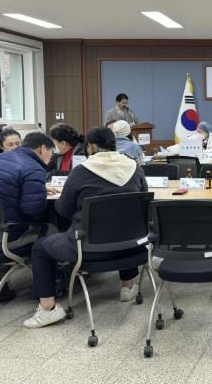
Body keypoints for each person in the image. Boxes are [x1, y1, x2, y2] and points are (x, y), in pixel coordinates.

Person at [24, 127, 148, 329]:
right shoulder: (135, 168)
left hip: (88, 247)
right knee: (120, 220)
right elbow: (142, 202)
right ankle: (127, 286)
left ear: (90, 146)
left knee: (40, 248)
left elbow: (63, 210)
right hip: (131, 247)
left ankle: (48, 309)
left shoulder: (81, 172)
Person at [0, 132, 56, 302]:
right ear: (43, 148)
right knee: (51, 229)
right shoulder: (34, 168)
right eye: (51, 151)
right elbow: (32, 210)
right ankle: (48, 286)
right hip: (6, 238)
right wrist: (40, 196)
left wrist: (36, 189)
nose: (51, 157)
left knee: (3, 222)